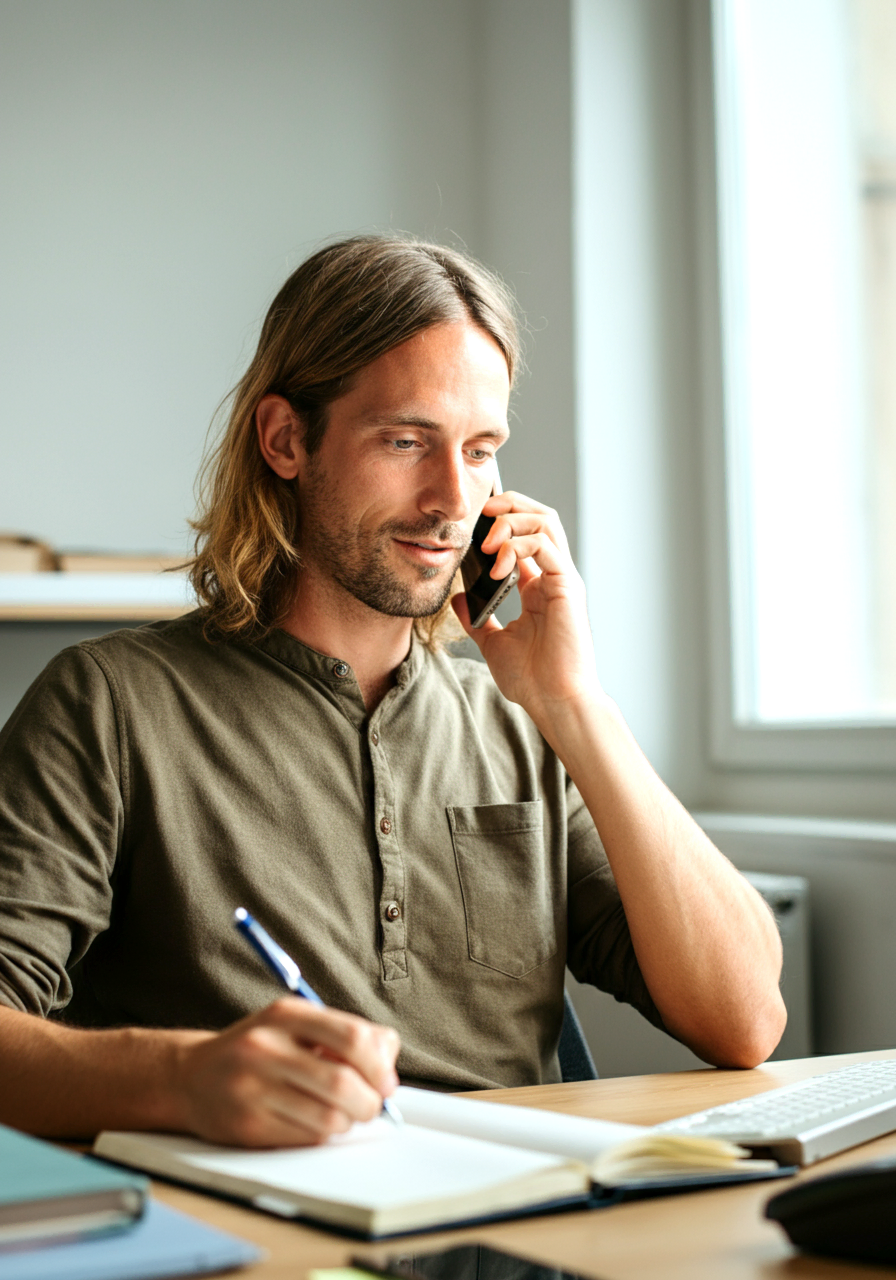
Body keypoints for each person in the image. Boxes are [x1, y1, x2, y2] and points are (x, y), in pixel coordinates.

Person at [0, 236, 785, 1148]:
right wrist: (183, 1078)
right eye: (407, 441)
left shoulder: (523, 727)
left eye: (481, 449)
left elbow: (744, 1021)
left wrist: (577, 705)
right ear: (287, 439)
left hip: (515, 1228)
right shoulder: (110, 705)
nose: (453, 498)